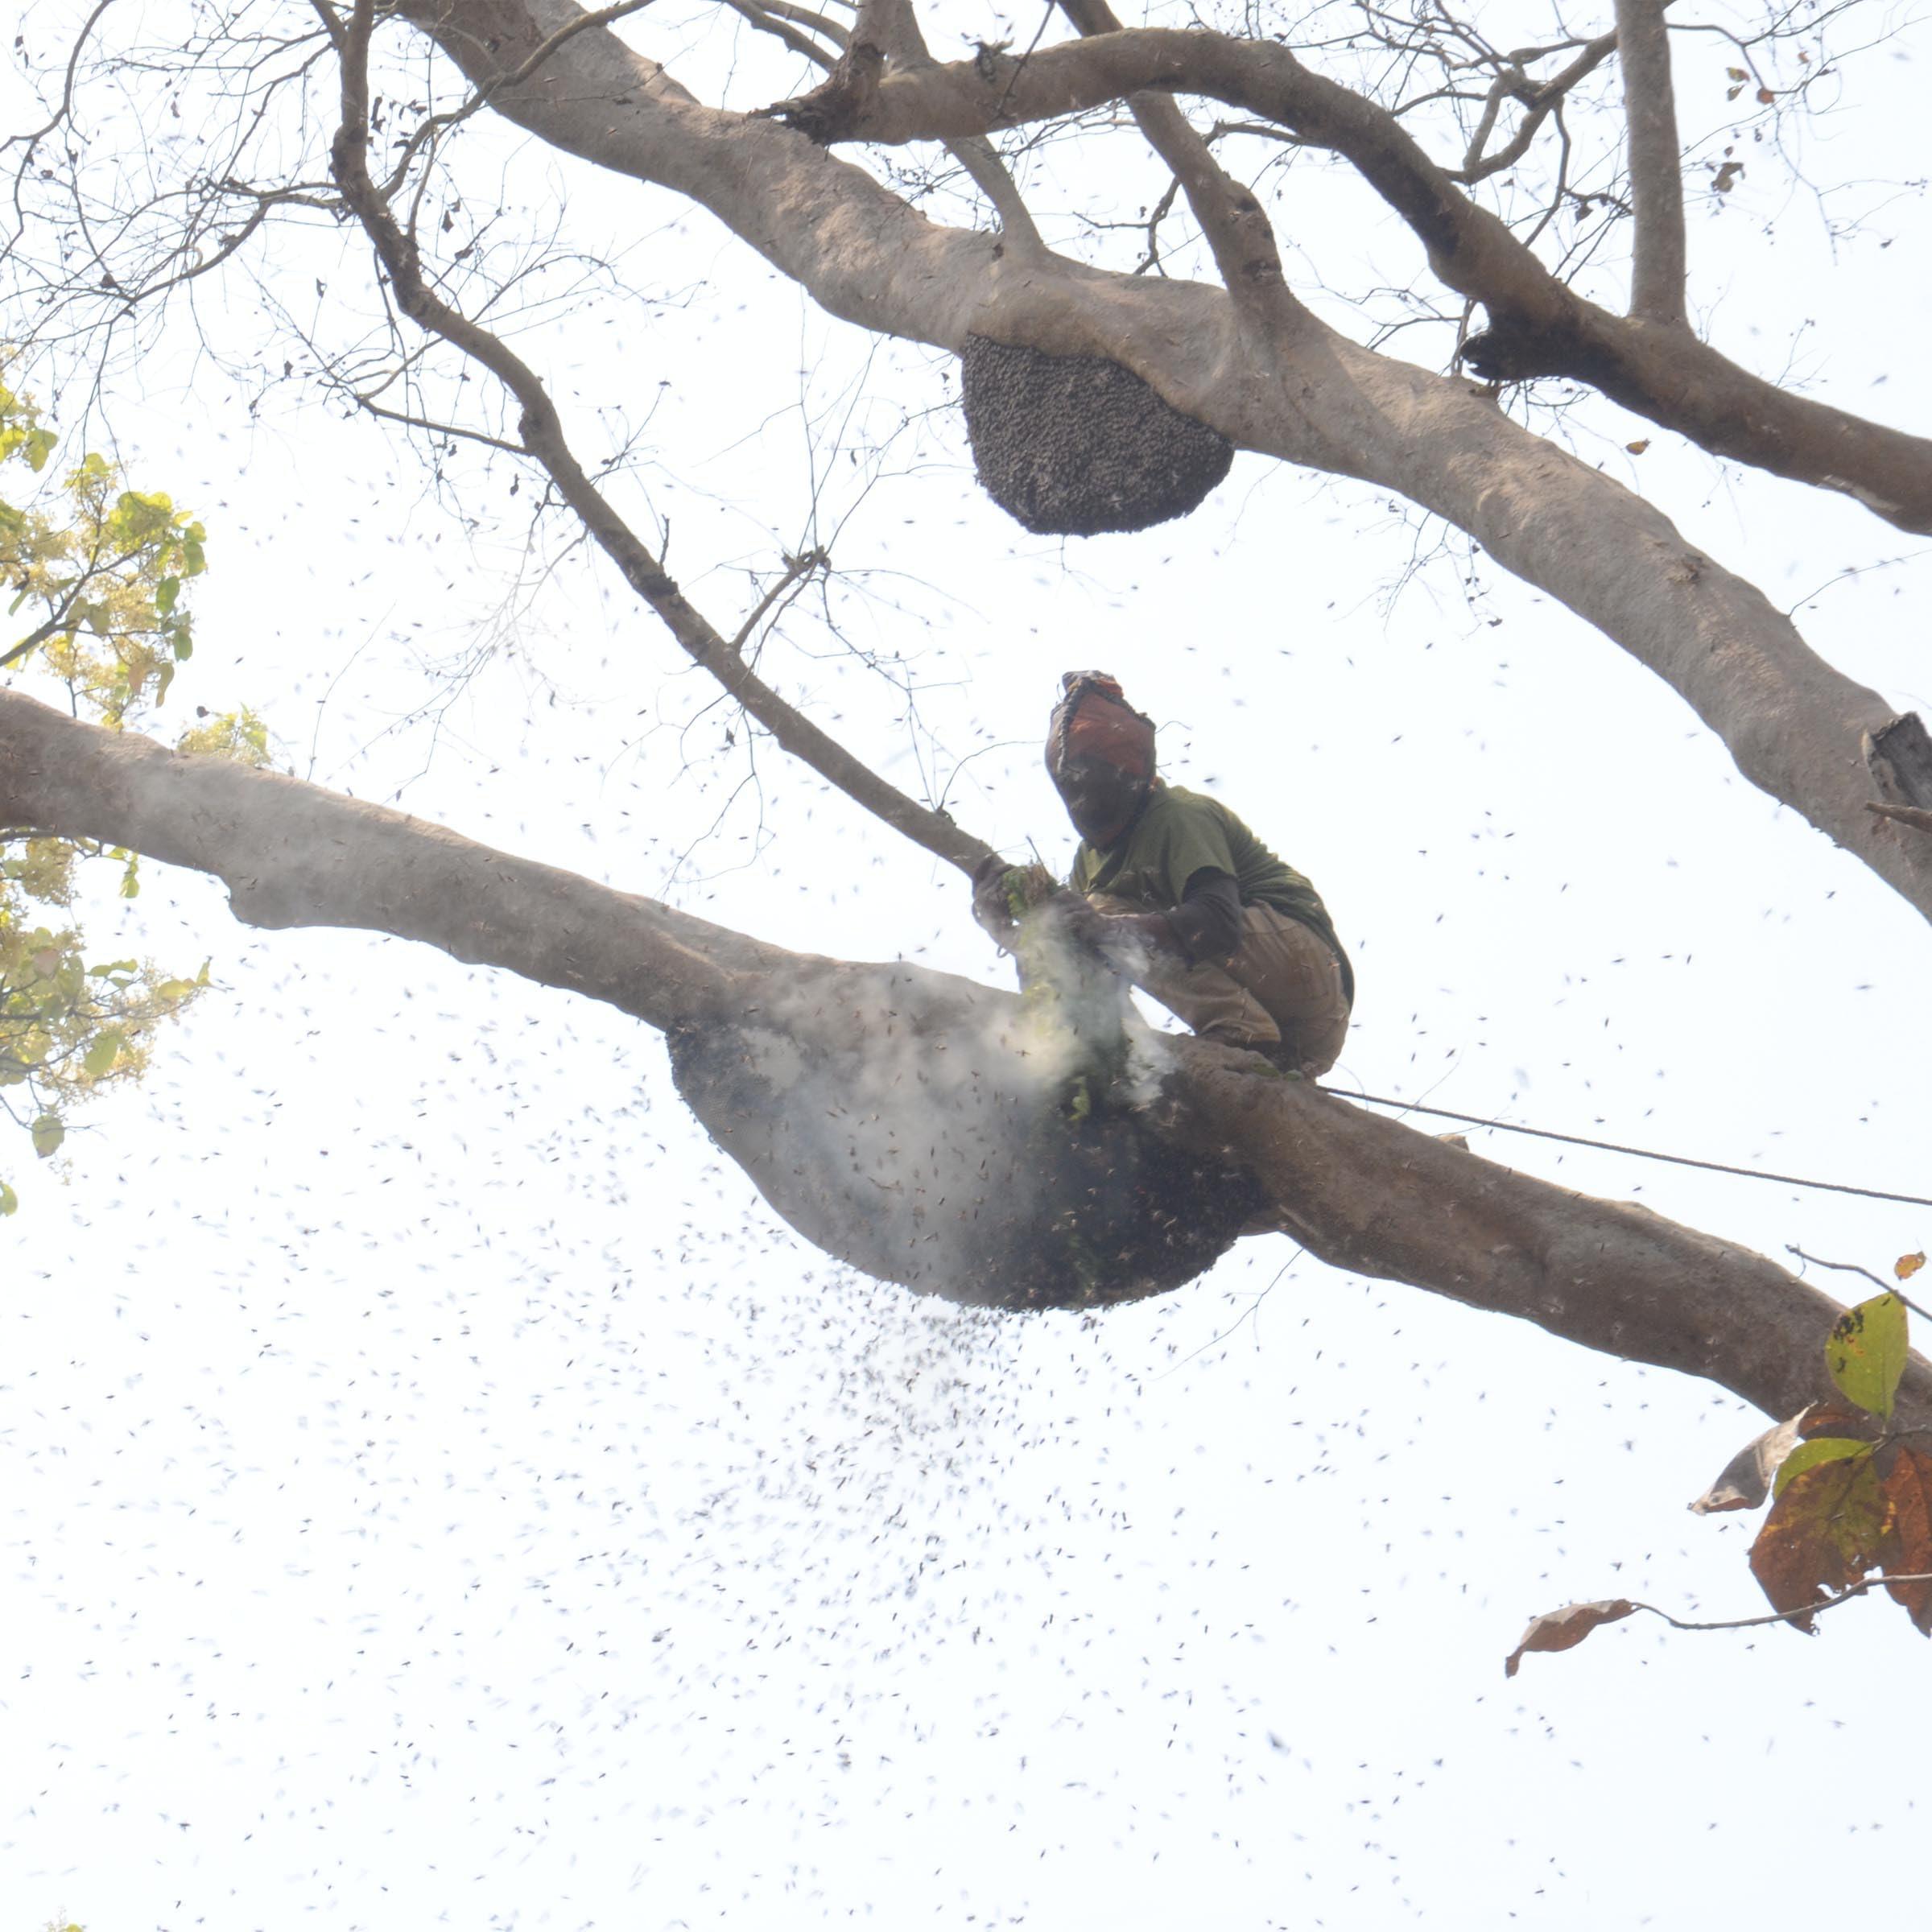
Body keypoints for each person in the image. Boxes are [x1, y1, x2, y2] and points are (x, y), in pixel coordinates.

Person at [978, 671, 1353, 1076]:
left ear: (1126, 777)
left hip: (1307, 971)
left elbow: (1216, 923)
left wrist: (1105, 927)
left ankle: (1240, 1030)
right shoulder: (1088, 861)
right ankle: (1125, 1061)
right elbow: (1075, 957)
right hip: (1298, 1043)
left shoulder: (1177, 816)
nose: (1086, 797)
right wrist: (1013, 931)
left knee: (1096, 914)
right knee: (1072, 928)